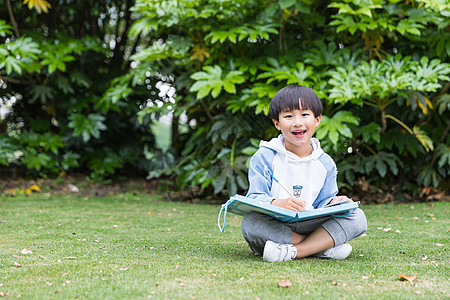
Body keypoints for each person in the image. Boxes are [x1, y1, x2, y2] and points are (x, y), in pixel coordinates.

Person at [241, 85, 367, 262]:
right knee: (250, 223)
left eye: (305, 114)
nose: (297, 122)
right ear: (276, 123)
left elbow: (324, 202)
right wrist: (277, 203)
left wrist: (336, 202)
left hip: (311, 224)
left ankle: (293, 252)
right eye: (288, 116)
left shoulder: (325, 163)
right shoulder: (264, 157)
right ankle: (321, 247)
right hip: (277, 225)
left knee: (357, 217)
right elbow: (255, 196)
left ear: (317, 119)